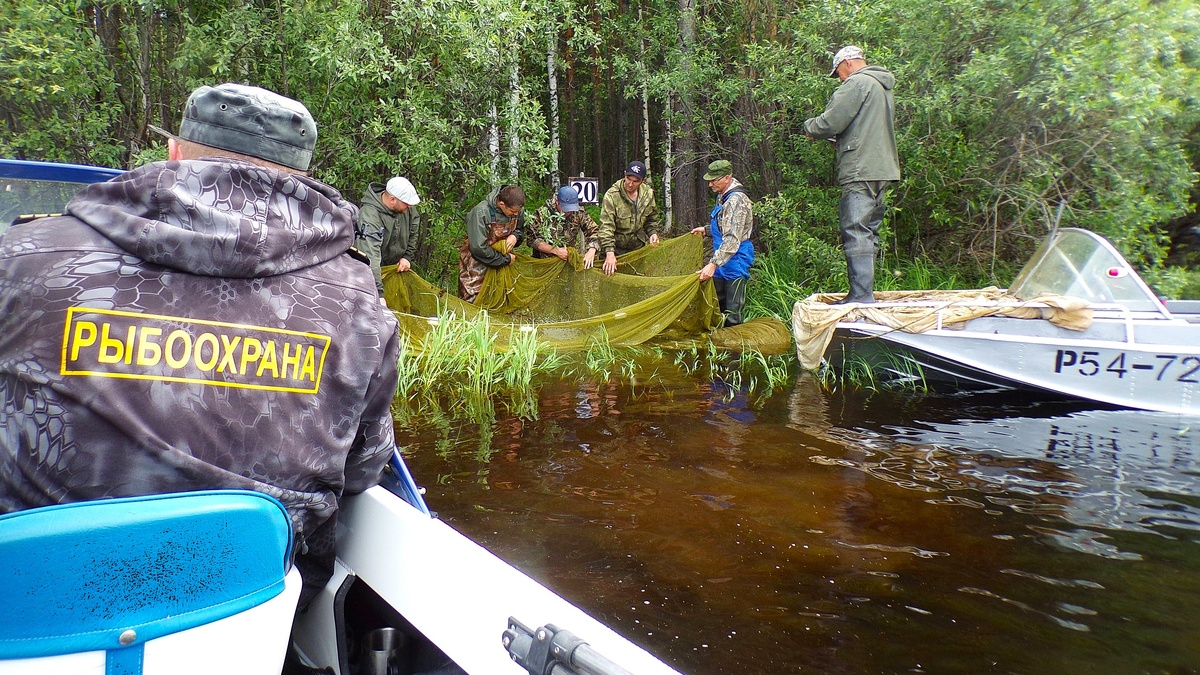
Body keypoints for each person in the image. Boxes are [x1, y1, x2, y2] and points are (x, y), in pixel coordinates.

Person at [0, 83, 401, 603]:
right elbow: (365, 467)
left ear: (175, 153)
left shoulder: (23, 258)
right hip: (245, 618)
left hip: (37, 616)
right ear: (300, 178)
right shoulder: (359, 302)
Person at [803, 45, 900, 304]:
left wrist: (810, 127)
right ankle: (863, 293)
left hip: (861, 168)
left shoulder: (857, 83)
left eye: (838, 73)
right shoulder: (881, 86)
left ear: (847, 63)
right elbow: (864, 128)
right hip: (883, 168)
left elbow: (830, 122)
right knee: (868, 229)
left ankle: (860, 296)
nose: (840, 78)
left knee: (854, 227)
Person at [690, 159, 754, 326]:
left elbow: (733, 239)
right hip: (721, 256)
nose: (710, 184)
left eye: (714, 180)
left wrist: (713, 264)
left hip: (736, 258)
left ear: (727, 177)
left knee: (732, 313)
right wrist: (706, 230)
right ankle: (717, 344)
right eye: (709, 180)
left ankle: (734, 350)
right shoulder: (722, 196)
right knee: (718, 304)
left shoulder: (736, 201)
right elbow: (724, 225)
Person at [355, 175, 423, 300]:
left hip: (394, 270)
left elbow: (414, 228)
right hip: (370, 275)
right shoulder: (369, 216)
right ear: (392, 200)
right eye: (407, 204)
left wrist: (407, 257)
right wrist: (379, 294)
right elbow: (370, 257)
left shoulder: (405, 208)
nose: (410, 207)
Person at [459, 184, 526, 302]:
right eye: (512, 211)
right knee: (472, 299)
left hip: (503, 262)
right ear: (501, 204)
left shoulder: (517, 210)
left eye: (518, 212)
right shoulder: (481, 212)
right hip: (477, 263)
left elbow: (520, 230)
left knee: (499, 297)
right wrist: (505, 259)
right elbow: (478, 248)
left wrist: (515, 236)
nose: (516, 214)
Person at [598, 161, 662, 275]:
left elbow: (651, 218)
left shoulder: (648, 194)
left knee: (636, 288)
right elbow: (606, 226)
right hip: (615, 251)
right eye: (628, 179)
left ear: (643, 181)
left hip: (637, 251)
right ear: (624, 175)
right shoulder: (612, 195)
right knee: (610, 288)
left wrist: (652, 233)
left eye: (635, 181)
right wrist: (609, 252)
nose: (630, 184)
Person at [528, 185, 600, 269]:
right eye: (565, 208)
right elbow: (532, 239)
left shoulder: (578, 212)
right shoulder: (542, 214)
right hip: (543, 264)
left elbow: (594, 230)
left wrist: (592, 249)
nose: (568, 212)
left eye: (571, 208)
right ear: (557, 201)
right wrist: (555, 251)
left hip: (567, 263)